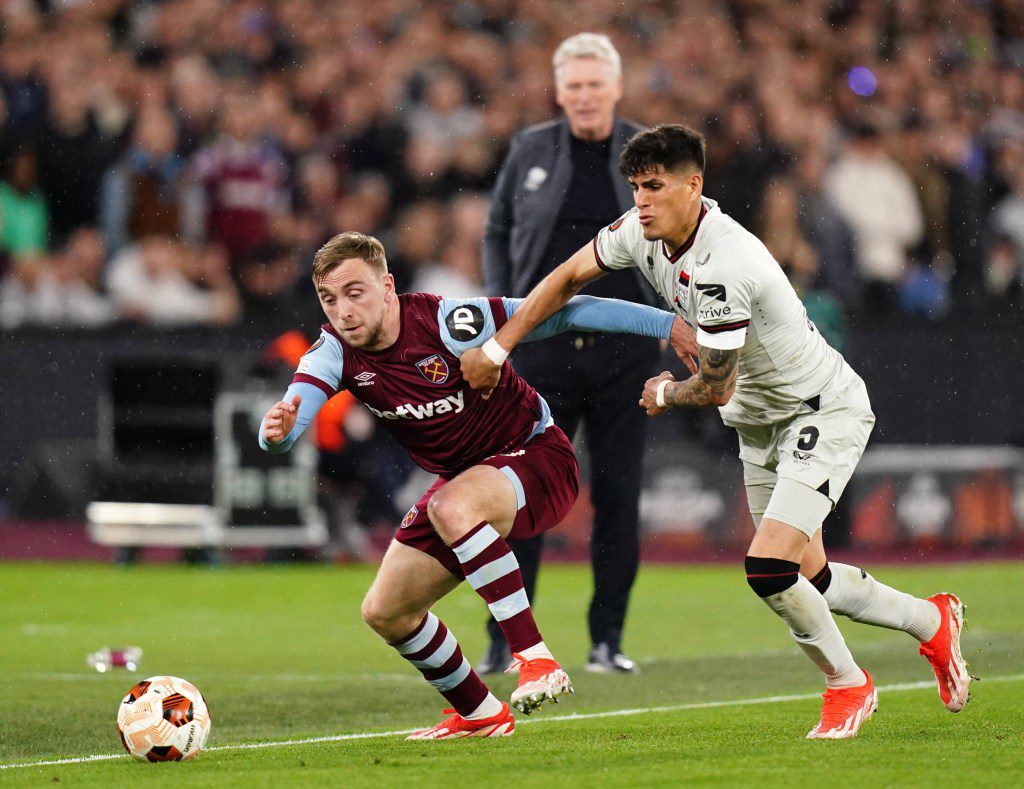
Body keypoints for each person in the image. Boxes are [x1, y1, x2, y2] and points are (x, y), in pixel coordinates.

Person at [460, 125, 970, 740]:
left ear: (694, 187)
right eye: (636, 187)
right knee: (807, 576)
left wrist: (665, 392)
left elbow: (714, 386)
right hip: (758, 422)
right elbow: (566, 277)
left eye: (655, 187)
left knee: (769, 567)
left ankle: (847, 684)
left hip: (819, 409)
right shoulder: (637, 232)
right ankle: (931, 621)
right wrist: (498, 346)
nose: (641, 200)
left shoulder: (723, 264)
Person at [259, 231, 695, 740]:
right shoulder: (333, 351)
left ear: (387, 287)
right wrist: (278, 433)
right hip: (464, 485)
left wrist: (667, 323)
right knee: (386, 611)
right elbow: (295, 413)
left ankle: (535, 659)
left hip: (538, 458)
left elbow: (567, 308)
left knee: (450, 506)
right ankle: (480, 713)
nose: (343, 311)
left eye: (355, 293)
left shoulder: (450, 322)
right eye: (329, 299)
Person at [480, 31, 659, 675]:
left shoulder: (646, 151)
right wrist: (505, 310)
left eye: (594, 84)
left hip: (626, 352)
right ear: (558, 91)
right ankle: (509, 641)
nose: (584, 96)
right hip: (542, 349)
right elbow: (497, 231)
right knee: (521, 497)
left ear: (616, 87)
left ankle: (607, 641)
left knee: (618, 497)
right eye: (574, 86)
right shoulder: (529, 148)